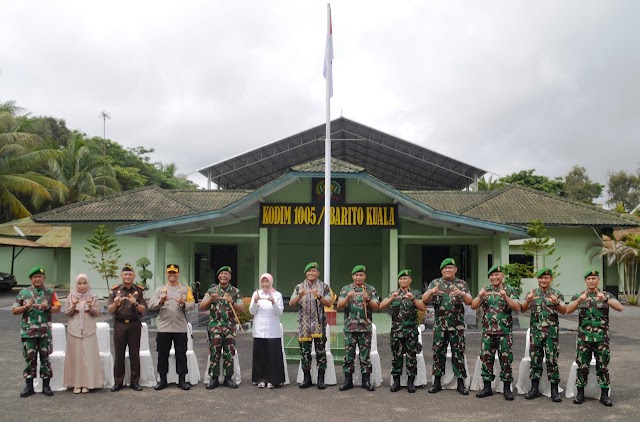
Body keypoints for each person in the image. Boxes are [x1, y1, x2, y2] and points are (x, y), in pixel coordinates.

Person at [565, 269, 624, 406]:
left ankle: (604, 395)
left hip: (601, 339)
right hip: (584, 338)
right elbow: (568, 310)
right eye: (589, 279)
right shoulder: (579, 295)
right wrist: (579, 301)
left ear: (598, 280)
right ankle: (580, 393)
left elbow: (620, 307)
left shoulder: (606, 295)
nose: (591, 281)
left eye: (594, 278)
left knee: (602, 366)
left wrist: (605, 299)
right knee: (582, 366)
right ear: (585, 281)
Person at [421, 257, 472, 395]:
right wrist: (431, 292)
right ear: (441, 271)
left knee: (458, 353)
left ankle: (461, 383)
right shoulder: (435, 283)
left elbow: (469, 302)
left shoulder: (461, 284)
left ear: (455, 269)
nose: (447, 270)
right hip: (440, 326)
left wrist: (461, 293)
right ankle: (436, 382)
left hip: (457, 326)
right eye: (445, 268)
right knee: (438, 353)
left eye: (450, 268)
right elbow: (424, 300)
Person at [470, 264, 520, 400]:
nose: (494, 277)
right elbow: (473, 305)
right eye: (491, 275)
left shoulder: (509, 290)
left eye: (497, 275)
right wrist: (480, 297)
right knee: (486, 359)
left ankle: (506, 388)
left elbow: (517, 307)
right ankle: (487, 387)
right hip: (488, 332)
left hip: (504, 333)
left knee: (506, 360)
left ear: (502, 276)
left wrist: (506, 298)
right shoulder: (485, 290)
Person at [12, 266, 61, 397]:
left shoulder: (50, 292)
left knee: (45, 358)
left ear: (44, 278)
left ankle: (46, 386)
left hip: (44, 332)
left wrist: (48, 307)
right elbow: (14, 310)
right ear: (31, 279)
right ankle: (29, 386)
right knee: (29, 359)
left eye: (40, 276)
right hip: (28, 333)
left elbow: (58, 308)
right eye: (35, 277)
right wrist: (25, 306)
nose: (37, 279)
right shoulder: (23, 293)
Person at [521, 267, 566, 402]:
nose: (543, 280)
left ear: (550, 279)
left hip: (551, 333)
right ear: (538, 279)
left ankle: (554, 390)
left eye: (546, 278)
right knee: (535, 360)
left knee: (552, 360)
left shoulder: (556, 293)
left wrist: (556, 303)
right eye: (541, 278)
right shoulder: (532, 293)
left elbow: (564, 311)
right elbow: (522, 309)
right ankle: (534, 388)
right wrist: (528, 300)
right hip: (536, 333)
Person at [148, 264, 195, 391]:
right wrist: (161, 301)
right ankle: (163, 379)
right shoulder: (160, 289)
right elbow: (150, 305)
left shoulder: (185, 289)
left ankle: (182, 380)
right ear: (166, 274)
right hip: (164, 327)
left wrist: (183, 303)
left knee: (181, 354)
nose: (172, 275)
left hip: (180, 327)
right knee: (162, 354)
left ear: (178, 274)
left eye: (174, 272)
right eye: (169, 273)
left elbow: (192, 305)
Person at [378, 269, 425, 393]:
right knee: (396, 356)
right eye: (401, 279)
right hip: (396, 331)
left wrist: (413, 299)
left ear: (410, 280)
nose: (403, 280)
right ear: (398, 281)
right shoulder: (394, 293)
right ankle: (396, 381)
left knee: (411, 356)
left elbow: (423, 307)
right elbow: (381, 306)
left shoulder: (416, 293)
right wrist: (391, 299)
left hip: (411, 330)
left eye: (405, 278)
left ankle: (411, 381)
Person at [290, 262, 333, 390]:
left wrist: (319, 296)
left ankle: (320, 379)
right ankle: (307, 378)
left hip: (319, 325)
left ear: (318, 273)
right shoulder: (299, 287)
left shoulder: (324, 287)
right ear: (306, 273)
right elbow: (292, 303)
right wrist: (299, 295)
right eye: (309, 271)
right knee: (305, 352)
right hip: (304, 326)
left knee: (321, 352)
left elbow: (329, 302)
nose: (311, 273)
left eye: (314, 271)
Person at [336, 265, 380, 392]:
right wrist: (347, 298)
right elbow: (339, 305)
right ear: (352, 276)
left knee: (365, 356)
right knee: (348, 356)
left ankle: (366, 381)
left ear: (365, 276)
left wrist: (368, 298)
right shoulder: (346, 289)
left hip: (365, 328)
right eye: (356, 275)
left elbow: (376, 306)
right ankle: (347, 380)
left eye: (361, 275)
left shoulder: (370, 289)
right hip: (350, 328)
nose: (358, 277)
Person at [200, 265, 244, 389]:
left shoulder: (235, 291)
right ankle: (214, 378)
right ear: (218, 276)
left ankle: (228, 378)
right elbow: (202, 306)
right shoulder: (211, 291)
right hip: (215, 326)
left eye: (226, 274)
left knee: (229, 353)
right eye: (221, 274)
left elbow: (241, 309)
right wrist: (210, 300)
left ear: (230, 277)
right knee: (214, 352)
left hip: (229, 326)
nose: (224, 276)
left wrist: (232, 301)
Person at [107, 263, 147, 392]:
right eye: (125, 274)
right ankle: (118, 382)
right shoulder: (115, 290)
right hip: (119, 324)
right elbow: (110, 310)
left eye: (130, 274)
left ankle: (135, 381)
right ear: (121, 276)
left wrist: (135, 303)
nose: (128, 276)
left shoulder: (139, 291)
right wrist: (116, 303)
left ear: (134, 276)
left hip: (134, 324)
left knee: (134, 353)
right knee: (119, 353)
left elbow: (143, 310)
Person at [63, 273, 104, 393]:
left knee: (88, 357)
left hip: (89, 330)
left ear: (88, 283)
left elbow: (97, 313)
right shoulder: (71, 296)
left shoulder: (93, 296)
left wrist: (91, 306)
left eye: (84, 283)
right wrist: (74, 305)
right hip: (74, 329)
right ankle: (75, 383)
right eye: (79, 283)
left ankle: (88, 383)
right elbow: (66, 313)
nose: (82, 286)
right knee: (75, 357)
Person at [249, 273, 285, 389]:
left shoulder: (277, 295)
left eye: (267, 281)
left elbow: (279, 313)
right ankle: (260, 379)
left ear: (271, 282)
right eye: (263, 282)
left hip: (272, 330)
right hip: (259, 330)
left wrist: (273, 302)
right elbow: (252, 311)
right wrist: (255, 301)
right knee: (260, 356)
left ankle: (272, 380)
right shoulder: (256, 293)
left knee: (272, 356)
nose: (265, 284)